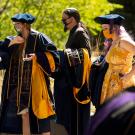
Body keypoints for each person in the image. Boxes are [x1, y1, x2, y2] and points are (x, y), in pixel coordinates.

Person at [0, 13, 59, 135]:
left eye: (18, 24)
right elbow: (3, 54)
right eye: (15, 24)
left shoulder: (39, 38)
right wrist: (12, 43)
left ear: (25, 25)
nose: (16, 26)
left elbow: (54, 56)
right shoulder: (14, 39)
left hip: (35, 84)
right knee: (23, 114)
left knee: (41, 115)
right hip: (17, 87)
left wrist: (37, 57)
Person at [54, 8, 91, 135]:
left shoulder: (80, 32)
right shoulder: (73, 31)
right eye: (62, 20)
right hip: (71, 80)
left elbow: (86, 56)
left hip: (78, 83)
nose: (63, 22)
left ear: (73, 19)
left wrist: (64, 54)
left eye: (65, 19)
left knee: (76, 118)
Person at [94, 14, 135, 104]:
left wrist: (129, 75)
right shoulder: (113, 42)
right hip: (109, 82)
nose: (103, 31)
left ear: (114, 28)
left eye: (105, 28)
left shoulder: (123, 40)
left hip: (122, 82)